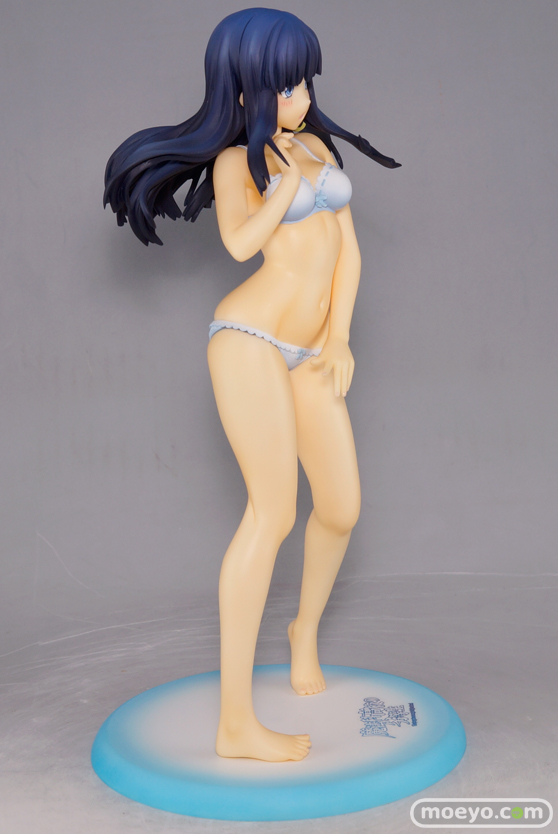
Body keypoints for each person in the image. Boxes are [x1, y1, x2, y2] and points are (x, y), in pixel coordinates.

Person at [104, 7, 400, 763]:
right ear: (244, 92)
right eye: (285, 87)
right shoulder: (239, 162)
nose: (302, 98)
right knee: (272, 514)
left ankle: (303, 631)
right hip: (250, 339)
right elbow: (239, 244)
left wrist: (339, 338)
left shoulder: (316, 146)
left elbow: (348, 255)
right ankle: (235, 722)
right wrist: (281, 183)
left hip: (312, 352)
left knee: (341, 507)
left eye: (305, 83)